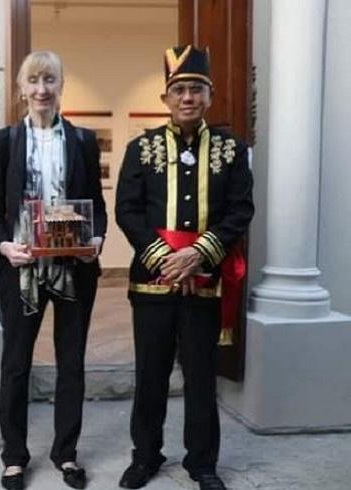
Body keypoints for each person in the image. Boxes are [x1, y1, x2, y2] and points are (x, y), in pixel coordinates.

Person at [114, 45, 254, 490]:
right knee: (150, 375)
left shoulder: (232, 150)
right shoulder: (142, 148)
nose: (187, 98)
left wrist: (200, 254)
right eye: (179, 91)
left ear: (209, 96)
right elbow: (127, 211)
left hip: (206, 282)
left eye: (196, 89)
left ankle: (202, 463)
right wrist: (164, 259)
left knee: (200, 377)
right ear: (166, 99)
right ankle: (145, 456)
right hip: (153, 285)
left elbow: (240, 209)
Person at [0, 51, 107, 490]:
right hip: (22, 270)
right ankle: (14, 457)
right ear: (21, 87)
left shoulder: (83, 141)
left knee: (71, 362)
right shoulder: (5, 141)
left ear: (60, 85)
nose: (41, 89)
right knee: (16, 364)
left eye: (50, 80)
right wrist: (2, 244)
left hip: (73, 268)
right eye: (33, 80)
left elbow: (97, 204)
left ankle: (66, 454)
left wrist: (96, 239)